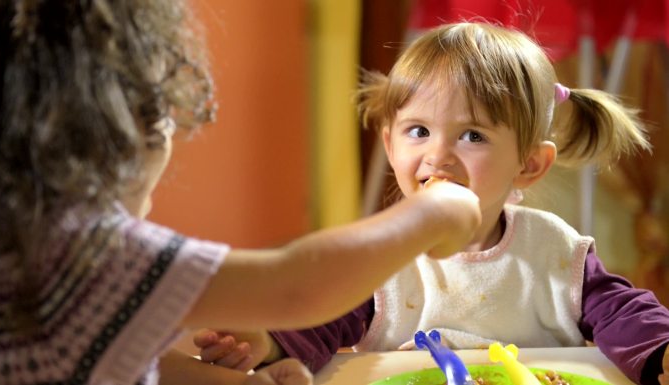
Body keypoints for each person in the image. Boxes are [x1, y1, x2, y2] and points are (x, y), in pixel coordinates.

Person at [0, 3, 483, 385]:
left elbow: (134, 353)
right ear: (125, 129)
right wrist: (431, 215)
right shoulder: (81, 258)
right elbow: (296, 289)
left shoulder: (11, 249)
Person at [194, 21, 669, 385]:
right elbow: (320, 321)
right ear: (389, 143)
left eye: (473, 135)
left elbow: (626, 315)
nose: (437, 155)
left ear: (528, 164)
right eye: (418, 131)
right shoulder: (384, 255)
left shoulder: (555, 250)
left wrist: (660, 351)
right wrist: (270, 345)